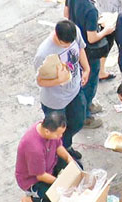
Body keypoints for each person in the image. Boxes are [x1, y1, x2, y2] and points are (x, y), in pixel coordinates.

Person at [64, 0, 115, 129]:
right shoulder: (90, 9)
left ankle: (86, 105)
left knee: (80, 79)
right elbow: (92, 38)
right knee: (90, 82)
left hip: (73, 44)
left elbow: (66, 14)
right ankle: (84, 115)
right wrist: (106, 30)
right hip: (88, 51)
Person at [34, 20, 89, 160]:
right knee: (55, 133)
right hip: (55, 101)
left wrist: (86, 69)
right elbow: (40, 81)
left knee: (78, 120)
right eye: (65, 44)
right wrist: (60, 80)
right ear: (56, 36)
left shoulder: (74, 31)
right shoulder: (44, 54)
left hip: (75, 90)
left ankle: (66, 145)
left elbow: (81, 48)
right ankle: (57, 157)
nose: (69, 46)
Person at [16, 112, 74, 202]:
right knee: (55, 197)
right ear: (47, 131)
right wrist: (61, 183)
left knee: (76, 167)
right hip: (33, 179)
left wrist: (69, 159)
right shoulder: (34, 148)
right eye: (58, 134)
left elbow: (59, 146)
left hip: (49, 163)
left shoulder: (48, 129)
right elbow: (41, 176)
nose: (60, 136)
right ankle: (29, 200)